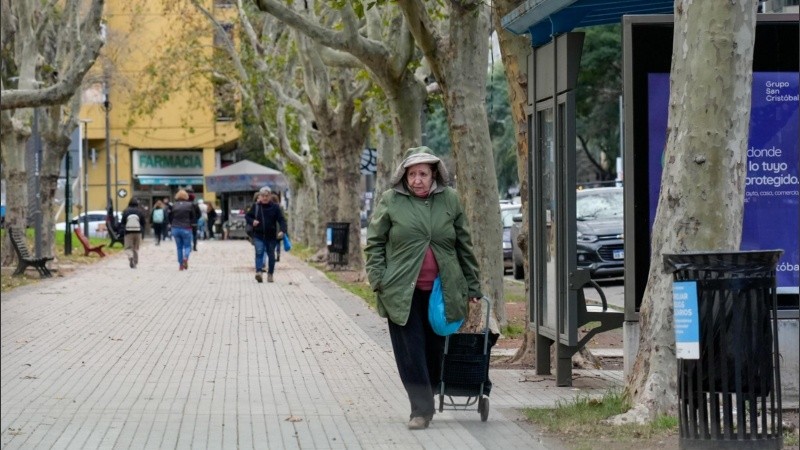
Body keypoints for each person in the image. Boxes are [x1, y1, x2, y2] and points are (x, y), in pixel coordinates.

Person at [364, 146, 483, 430]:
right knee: (410, 353)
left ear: (434, 175)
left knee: (435, 349)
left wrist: (472, 284)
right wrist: (378, 278)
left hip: (443, 290)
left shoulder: (450, 200)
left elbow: (463, 245)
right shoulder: (391, 201)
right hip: (401, 290)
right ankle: (420, 409)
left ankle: (427, 394)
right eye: (412, 174)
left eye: (423, 174)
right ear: (404, 176)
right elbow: (375, 243)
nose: (417, 179)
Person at [245, 186, 287, 283]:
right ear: (259, 196)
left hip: (271, 236)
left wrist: (282, 230)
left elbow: (282, 220)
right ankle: (259, 272)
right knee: (259, 252)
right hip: (258, 235)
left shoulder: (275, 207)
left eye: (267, 196)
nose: (265, 198)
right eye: (263, 196)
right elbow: (247, 216)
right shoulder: (256, 206)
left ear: (270, 196)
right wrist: (252, 221)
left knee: (271, 255)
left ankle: (270, 274)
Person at [170, 189, 196, 271]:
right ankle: (186, 258)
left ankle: (181, 265)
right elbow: (193, 217)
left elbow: (170, 216)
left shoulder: (174, 205)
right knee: (187, 246)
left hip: (175, 228)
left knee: (179, 247)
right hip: (186, 228)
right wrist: (192, 224)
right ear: (186, 196)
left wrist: (172, 224)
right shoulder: (190, 205)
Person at [121, 198, 146, 269]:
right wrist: (142, 232)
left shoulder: (126, 211)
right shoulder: (140, 211)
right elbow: (143, 223)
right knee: (135, 248)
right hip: (138, 232)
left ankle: (130, 257)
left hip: (128, 232)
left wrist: (123, 231)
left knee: (128, 247)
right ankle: (135, 262)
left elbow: (123, 223)